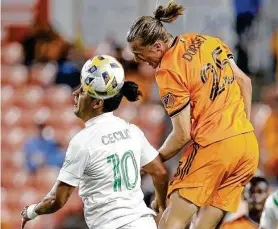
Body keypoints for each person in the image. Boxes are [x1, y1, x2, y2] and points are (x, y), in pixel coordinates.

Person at [127, 2, 259, 229]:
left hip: (213, 148)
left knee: (170, 223)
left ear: (158, 47)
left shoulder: (168, 69)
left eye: (140, 54)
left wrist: (153, 161)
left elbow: (182, 135)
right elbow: (244, 81)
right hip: (246, 147)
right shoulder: (206, 41)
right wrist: (240, 128)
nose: (140, 61)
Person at [20, 55, 169, 229]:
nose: (75, 93)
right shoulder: (132, 130)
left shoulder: (83, 141)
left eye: (83, 92)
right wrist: (160, 203)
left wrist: (31, 211)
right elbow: (160, 172)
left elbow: (56, 199)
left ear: (97, 103)